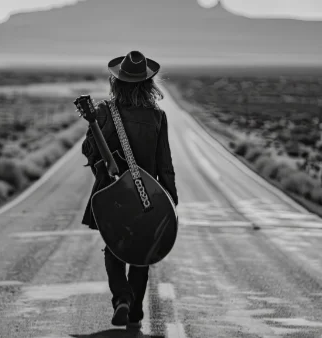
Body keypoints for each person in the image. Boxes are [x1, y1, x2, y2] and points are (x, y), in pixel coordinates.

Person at [80, 51, 179, 329]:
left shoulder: (103, 113)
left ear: (117, 82)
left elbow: (88, 152)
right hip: (147, 195)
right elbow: (165, 163)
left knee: (113, 249)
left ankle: (122, 297)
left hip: (111, 195)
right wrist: (169, 198)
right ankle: (134, 308)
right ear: (148, 84)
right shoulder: (157, 117)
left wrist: (98, 141)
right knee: (142, 253)